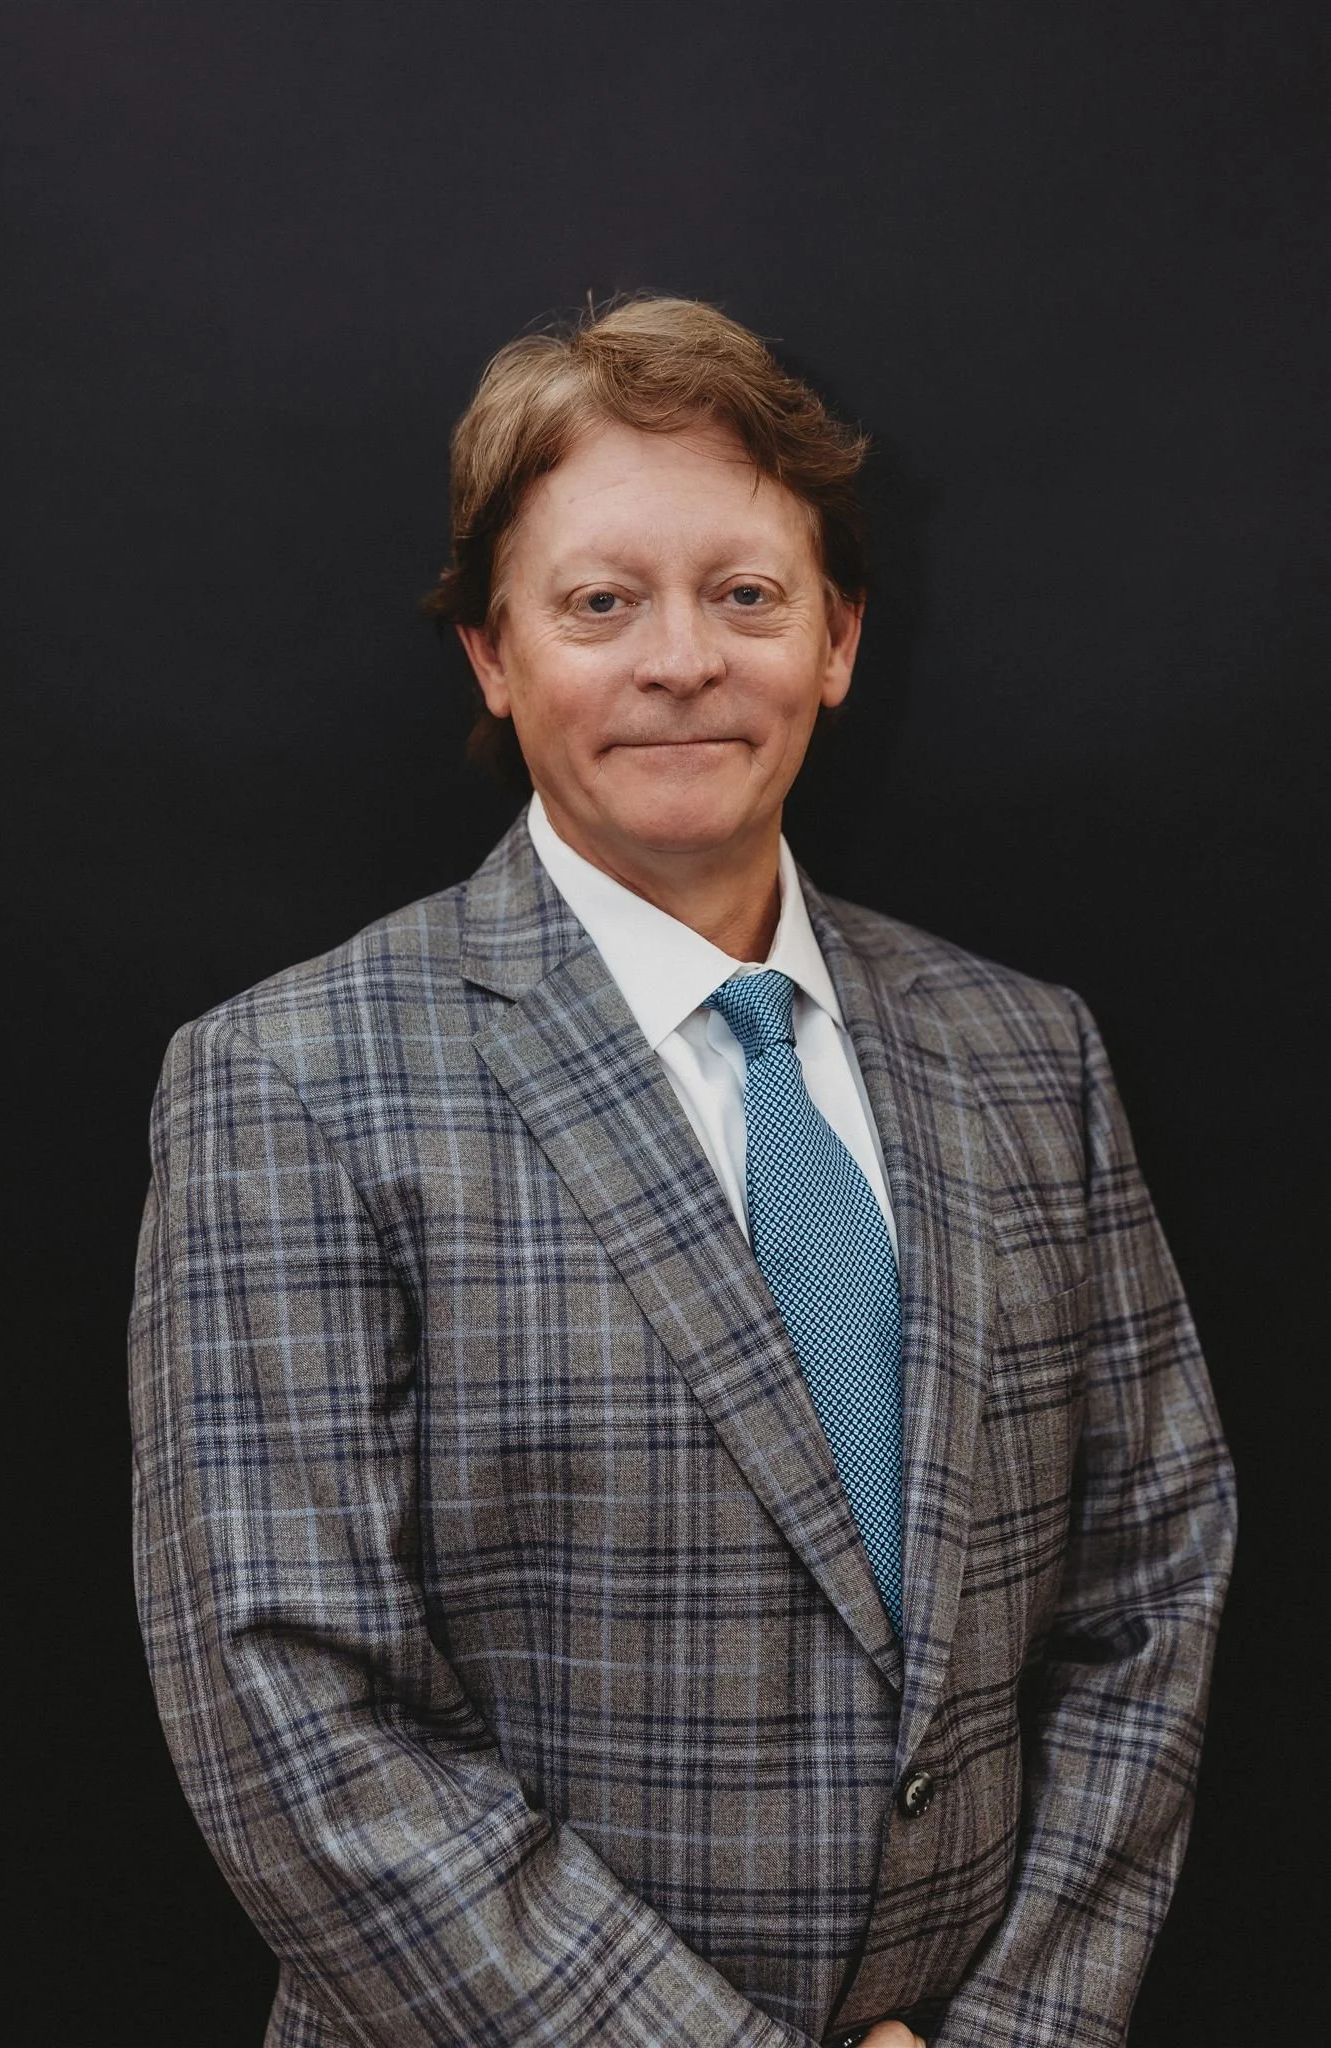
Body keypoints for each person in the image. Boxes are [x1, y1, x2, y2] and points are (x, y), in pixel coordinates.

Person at [130, 296, 1236, 2048]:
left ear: (838, 638)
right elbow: (292, 1718)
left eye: (746, 594)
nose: (681, 659)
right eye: (598, 602)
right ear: (495, 657)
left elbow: (1154, 1591)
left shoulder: (1031, 1058)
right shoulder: (287, 1081)